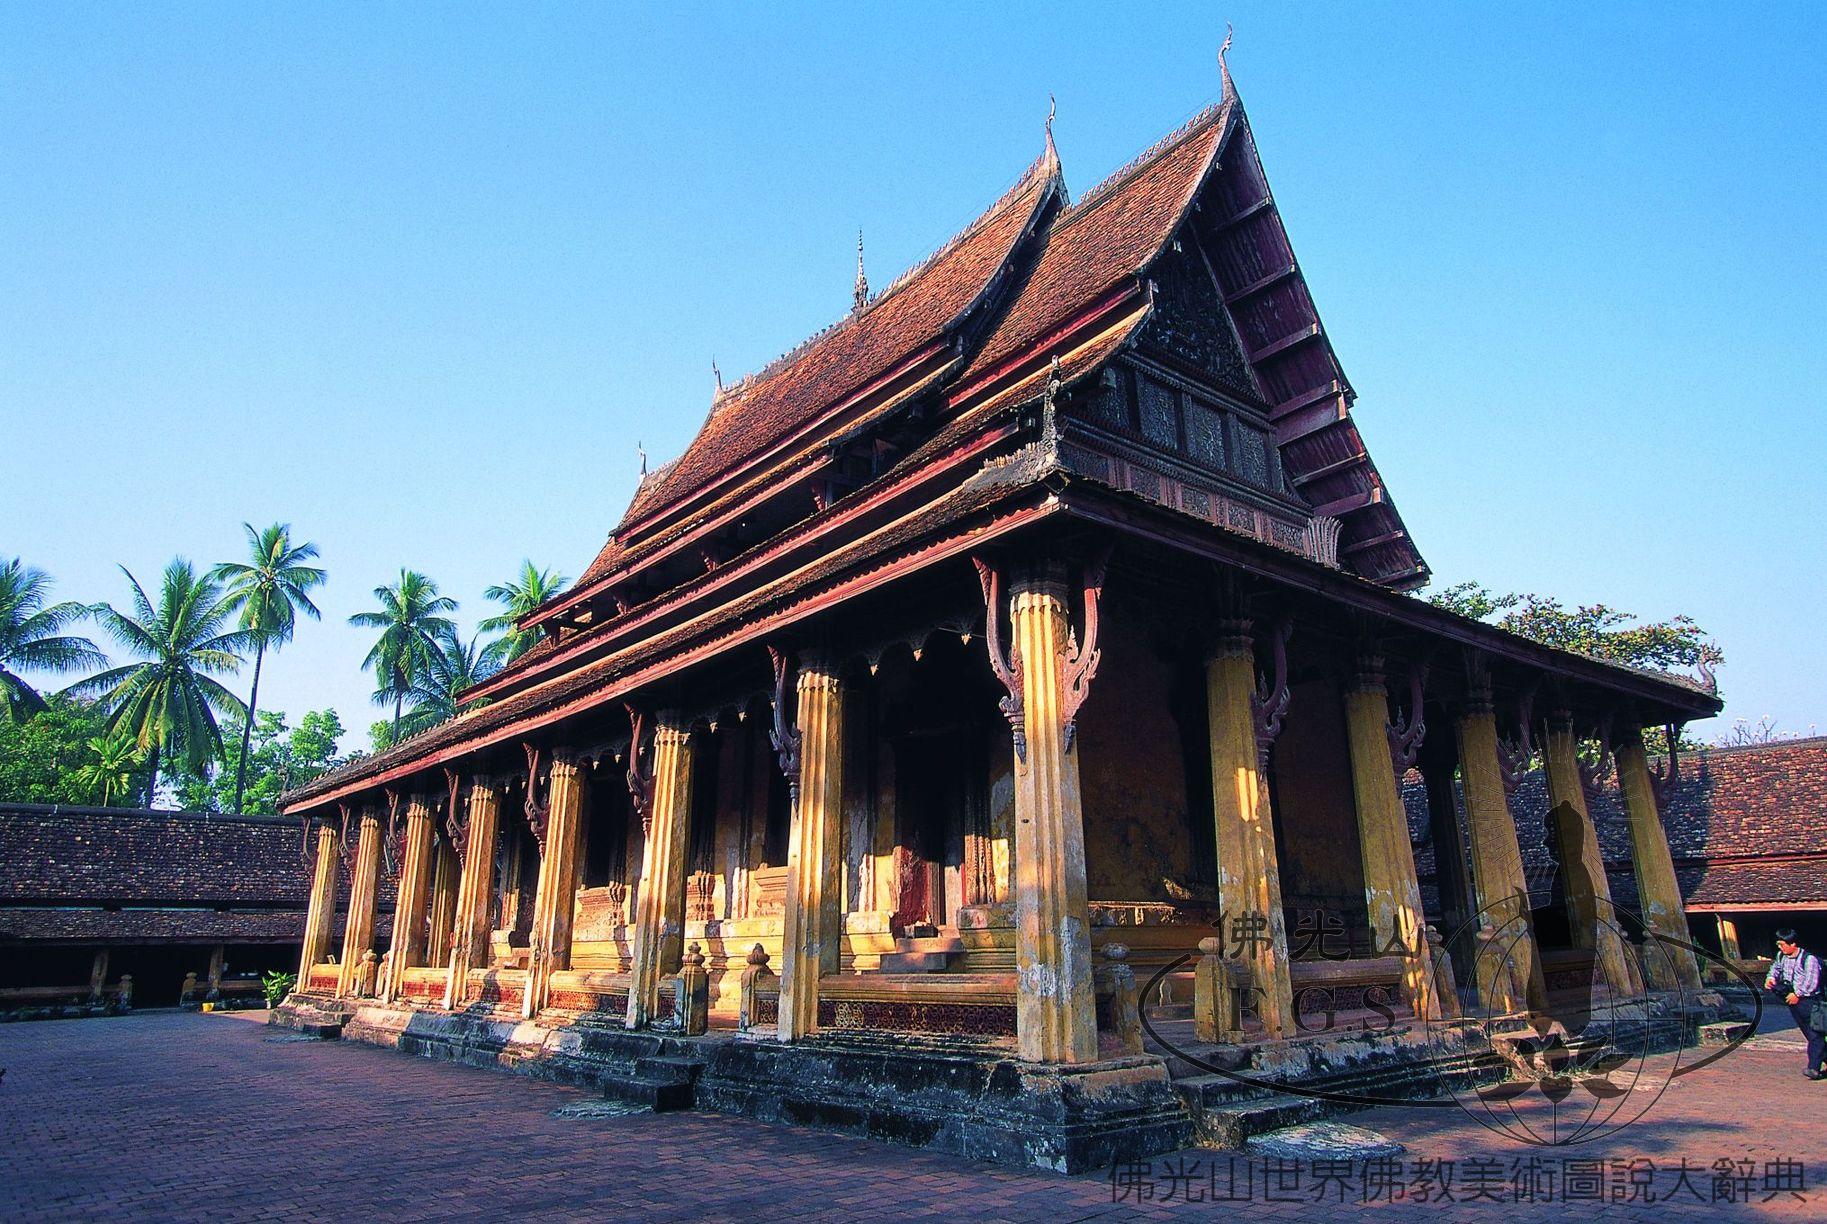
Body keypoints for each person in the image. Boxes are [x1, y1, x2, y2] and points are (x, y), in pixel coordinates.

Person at [1764, 930, 1825, 1079]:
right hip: (1792, 1001)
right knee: (1809, 1034)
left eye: (1783, 944)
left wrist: (1798, 994)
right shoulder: (1781, 957)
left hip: (1809, 1002)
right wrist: (1771, 978)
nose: (1780, 948)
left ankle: (1813, 1068)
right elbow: (1776, 968)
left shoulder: (1809, 959)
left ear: (1793, 944)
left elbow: (1811, 982)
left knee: (1815, 1034)